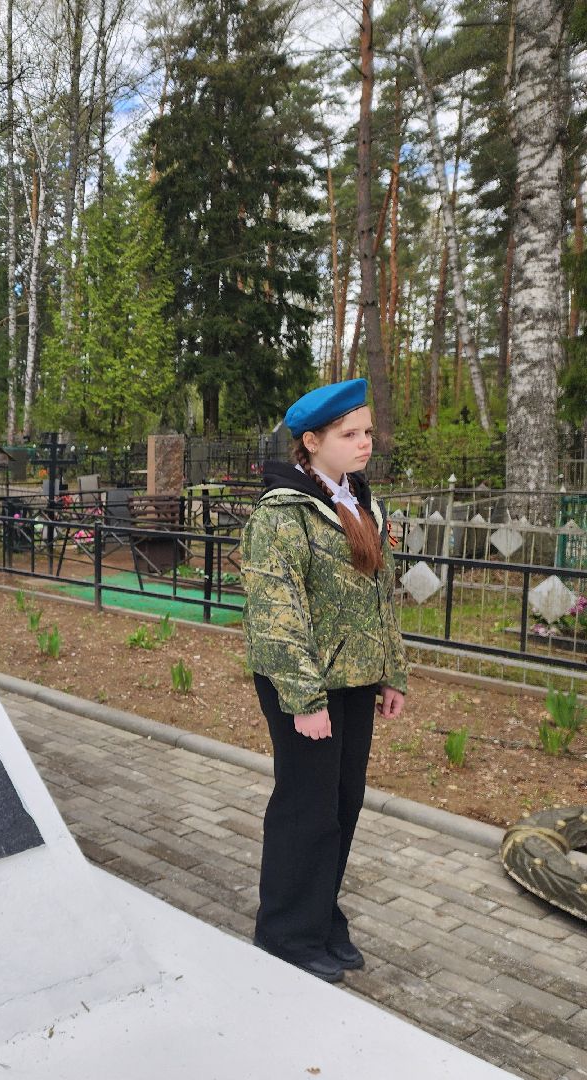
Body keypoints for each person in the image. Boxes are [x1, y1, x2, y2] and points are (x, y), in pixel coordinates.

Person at [242, 378, 407, 984]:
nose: (365, 443)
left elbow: (381, 598)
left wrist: (391, 673)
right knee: (305, 807)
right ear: (311, 442)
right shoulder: (282, 514)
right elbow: (275, 612)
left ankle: (319, 915)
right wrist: (304, 700)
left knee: (341, 804)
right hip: (302, 685)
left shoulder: (360, 503)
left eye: (367, 432)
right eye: (349, 434)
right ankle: (286, 931)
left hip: (355, 679)